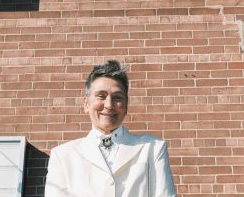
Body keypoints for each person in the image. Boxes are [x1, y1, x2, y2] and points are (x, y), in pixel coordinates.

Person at [44, 60, 176, 197]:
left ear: (126, 105)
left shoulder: (153, 148)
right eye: (101, 96)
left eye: (117, 97)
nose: (109, 105)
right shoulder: (62, 155)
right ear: (86, 103)